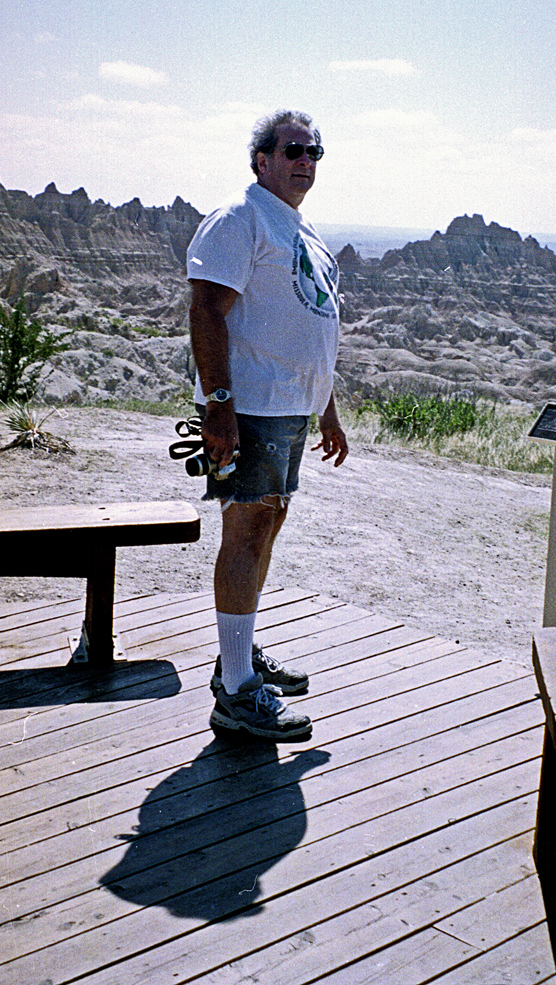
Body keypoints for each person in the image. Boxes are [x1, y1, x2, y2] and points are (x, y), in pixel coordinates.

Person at [186, 109, 349, 741]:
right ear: (262, 160)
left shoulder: (303, 232)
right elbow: (207, 308)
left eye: (314, 151)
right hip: (249, 406)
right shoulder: (241, 218)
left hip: (289, 409)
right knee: (247, 531)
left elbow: (318, 328)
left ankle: (239, 653)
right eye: (292, 150)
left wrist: (326, 408)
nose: (305, 160)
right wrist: (219, 405)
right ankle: (235, 693)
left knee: (267, 526)